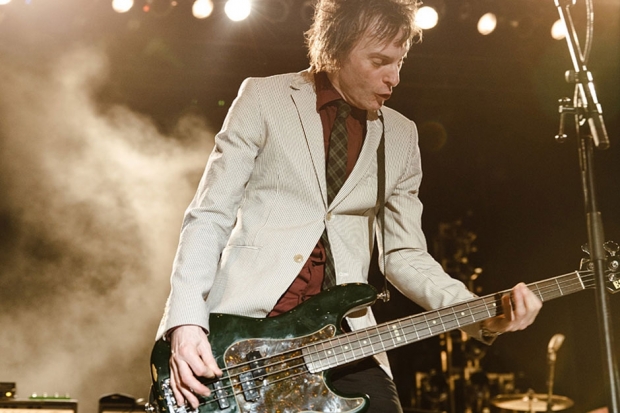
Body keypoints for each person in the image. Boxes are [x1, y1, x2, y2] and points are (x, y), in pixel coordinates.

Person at [155, 0, 543, 412]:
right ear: (335, 49)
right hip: (244, 336)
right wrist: (185, 321)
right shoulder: (263, 98)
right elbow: (209, 215)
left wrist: (480, 314)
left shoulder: (400, 136)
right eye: (379, 61)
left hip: (344, 341)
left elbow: (404, 255)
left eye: (400, 62)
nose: (393, 78)